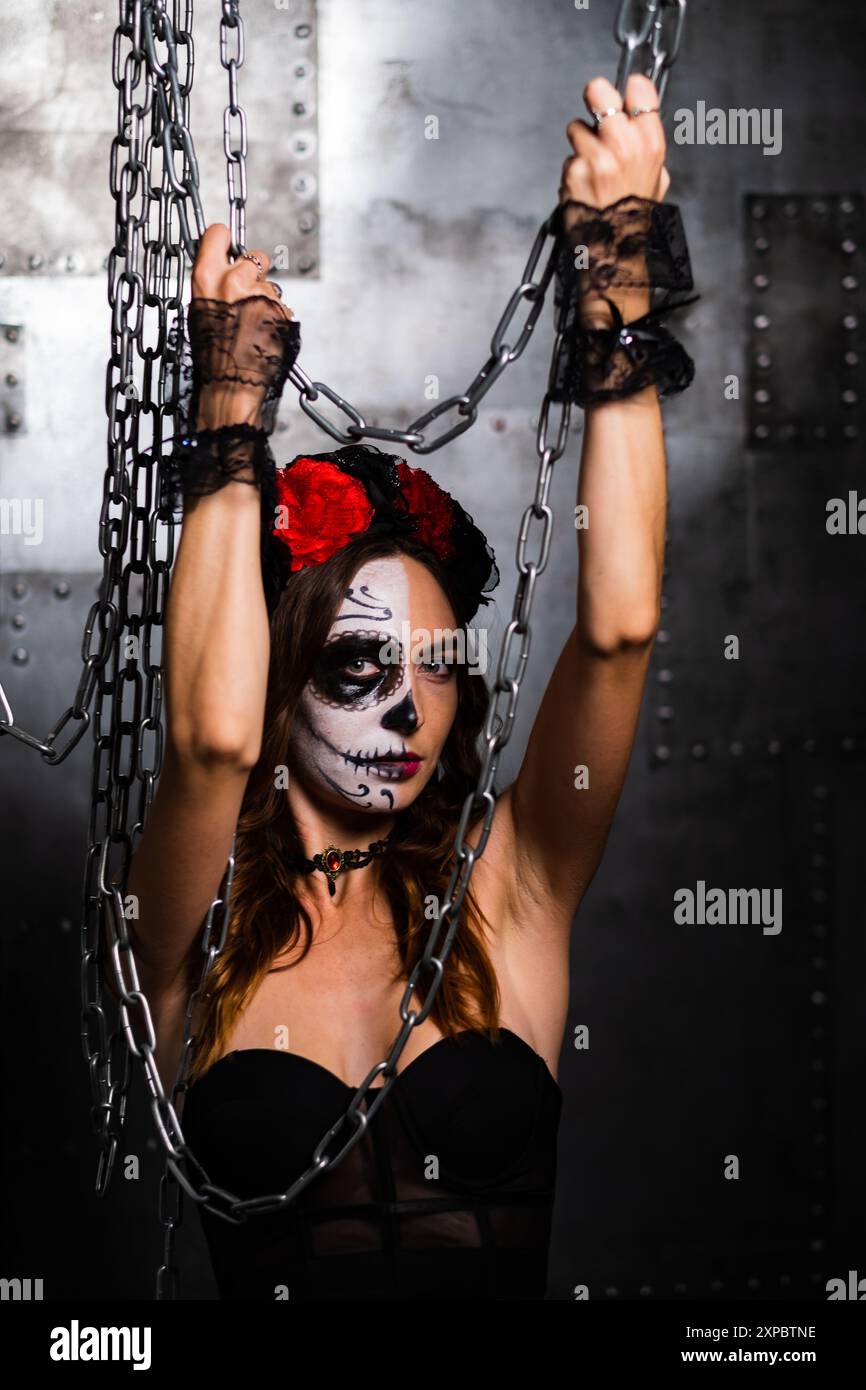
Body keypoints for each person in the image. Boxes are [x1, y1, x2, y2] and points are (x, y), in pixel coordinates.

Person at [122, 73, 696, 1300]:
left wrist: (618, 285)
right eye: (354, 663)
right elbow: (214, 742)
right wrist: (230, 417)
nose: (406, 708)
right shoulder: (194, 920)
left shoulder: (509, 892)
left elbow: (620, 627)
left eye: (435, 665)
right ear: (285, 680)